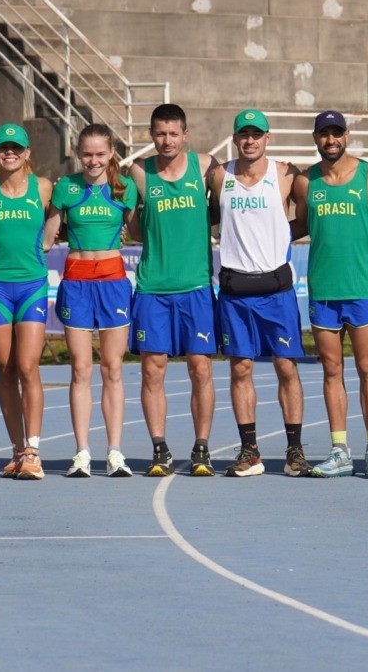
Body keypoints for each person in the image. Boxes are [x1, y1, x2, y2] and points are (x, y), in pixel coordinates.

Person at [291, 110, 368, 479]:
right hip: (323, 289)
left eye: (336, 133)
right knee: (332, 369)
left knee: (367, 367)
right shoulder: (305, 182)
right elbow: (300, 225)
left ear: (346, 135)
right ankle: (339, 451)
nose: (330, 140)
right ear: (316, 138)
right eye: (324, 134)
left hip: (361, 286)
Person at [208, 110, 307, 477]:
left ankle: (295, 451)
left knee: (286, 367)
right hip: (236, 289)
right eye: (244, 134)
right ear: (236, 139)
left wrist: (279, 234)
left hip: (275, 289)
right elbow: (211, 218)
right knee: (240, 368)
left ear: (268, 137)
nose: (250, 140)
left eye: (256, 134)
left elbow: (306, 219)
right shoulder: (220, 176)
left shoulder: (285, 174)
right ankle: (249, 451)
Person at [127, 104, 221, 477]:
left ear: (185, 134)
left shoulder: (205, 167)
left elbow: (223, 210)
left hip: (196, 286)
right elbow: (135, 231)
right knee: (153, 370)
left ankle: (202, 448)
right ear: (151, 135)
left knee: (200, 368)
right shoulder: (139, 172)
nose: (167, 141)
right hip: (153, 287)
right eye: (160, 134)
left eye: (173, 134)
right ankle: (160, 448)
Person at [49, 124, 137, 478]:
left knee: (112, 368)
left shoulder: (124, 187)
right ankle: (82, 452)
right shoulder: (65, 188)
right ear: (77, 153)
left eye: (101, 154)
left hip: (113, 281)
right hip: (77, 281)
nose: (94, 160)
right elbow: (45, 238)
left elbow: (141, 231)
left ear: (111, 152)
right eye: (87, 154)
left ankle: (115, 452)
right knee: (81, 368)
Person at [0, 124, 59, 480]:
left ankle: (34, 450)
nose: (10, 153)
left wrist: (49, 239)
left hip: (32, 284)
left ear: (27, 153)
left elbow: (59, 214)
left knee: (27, 365)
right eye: (3, 148)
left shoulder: (43, 187)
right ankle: (17, 449)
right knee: (5, 368)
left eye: (16, 148)